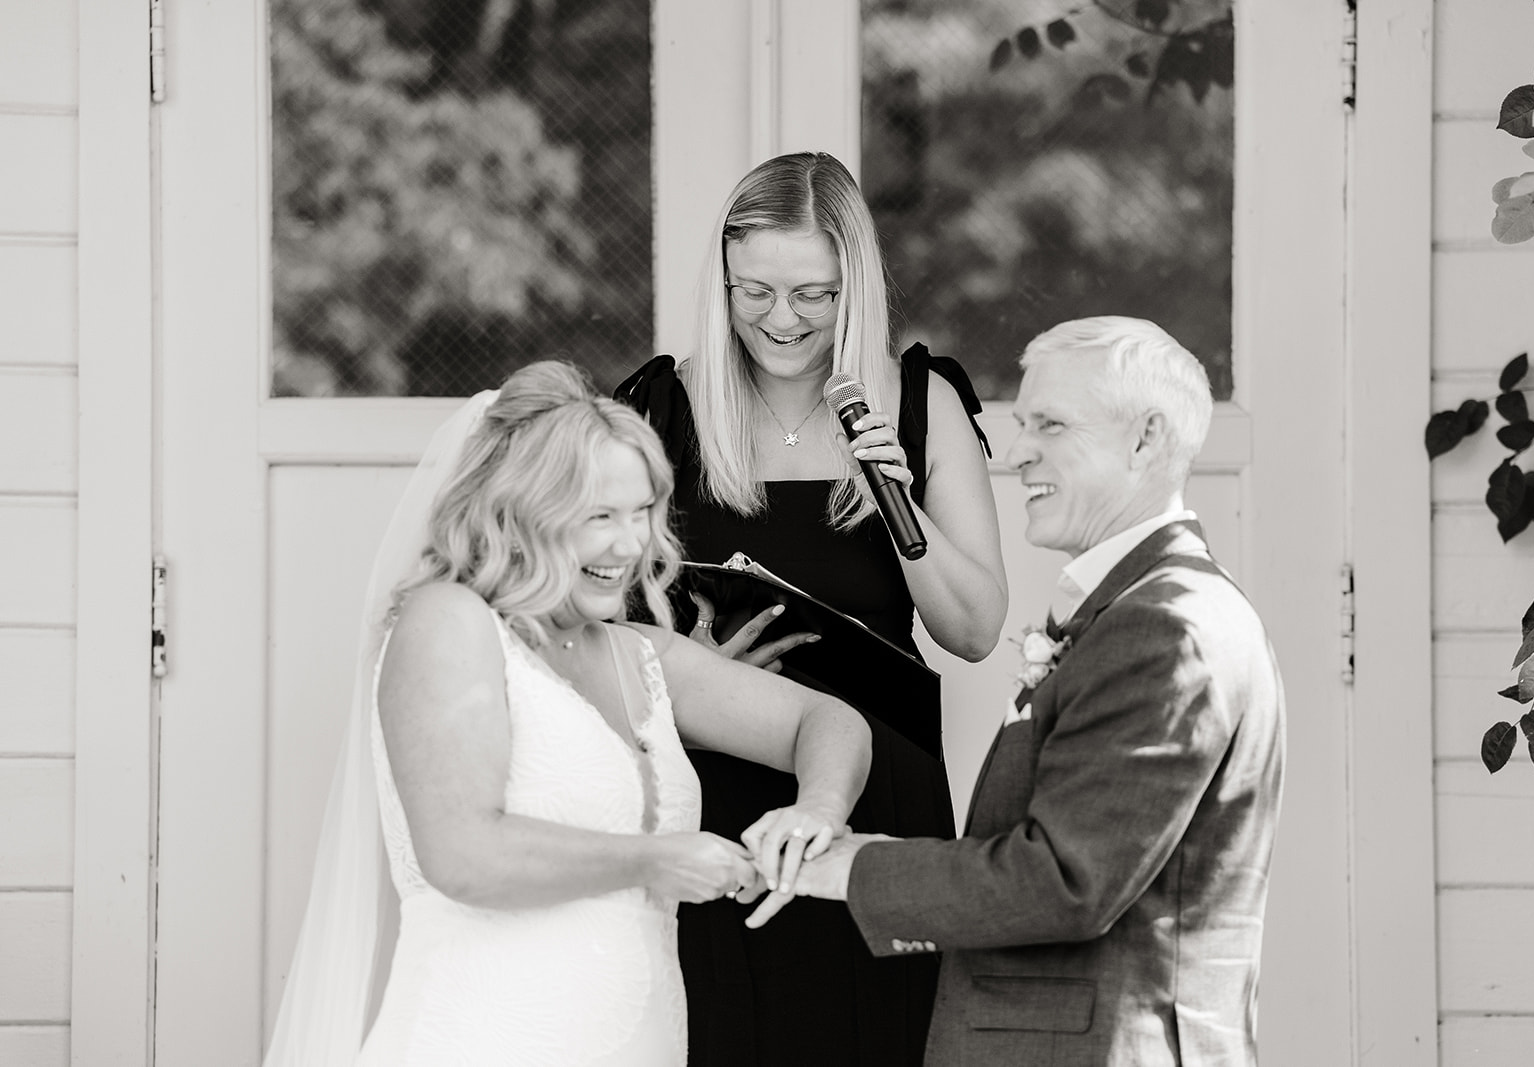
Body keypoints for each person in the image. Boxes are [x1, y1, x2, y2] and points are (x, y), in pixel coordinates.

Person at [263, 361, 872, 1067]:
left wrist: (818, 811)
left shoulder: (640, 653)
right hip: (482, 1038)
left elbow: (827, 723)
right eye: (598, 517)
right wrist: (658, 859)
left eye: (642, 511)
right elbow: (461, 853)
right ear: (521, 514)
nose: (630, 544)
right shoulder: (449, 623)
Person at [782, 317, 1287, 1066]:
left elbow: (1065, 879)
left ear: (1146, 439)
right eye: (1022, 426)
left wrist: (853, 865)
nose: (1017, 455)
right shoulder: (1142, 607)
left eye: (1050, 425)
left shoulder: (1165, 628)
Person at [615, 151, 1008, 1066]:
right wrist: (691, 659)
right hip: (719, 783)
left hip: (882, 792)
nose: (781, 319)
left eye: (813, 294)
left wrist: (899, 505)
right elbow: (591, 613)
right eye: (753, 291)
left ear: (856, 284)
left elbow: (976, 630)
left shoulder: (921, 400)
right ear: (722, 278)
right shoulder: (661, 405)